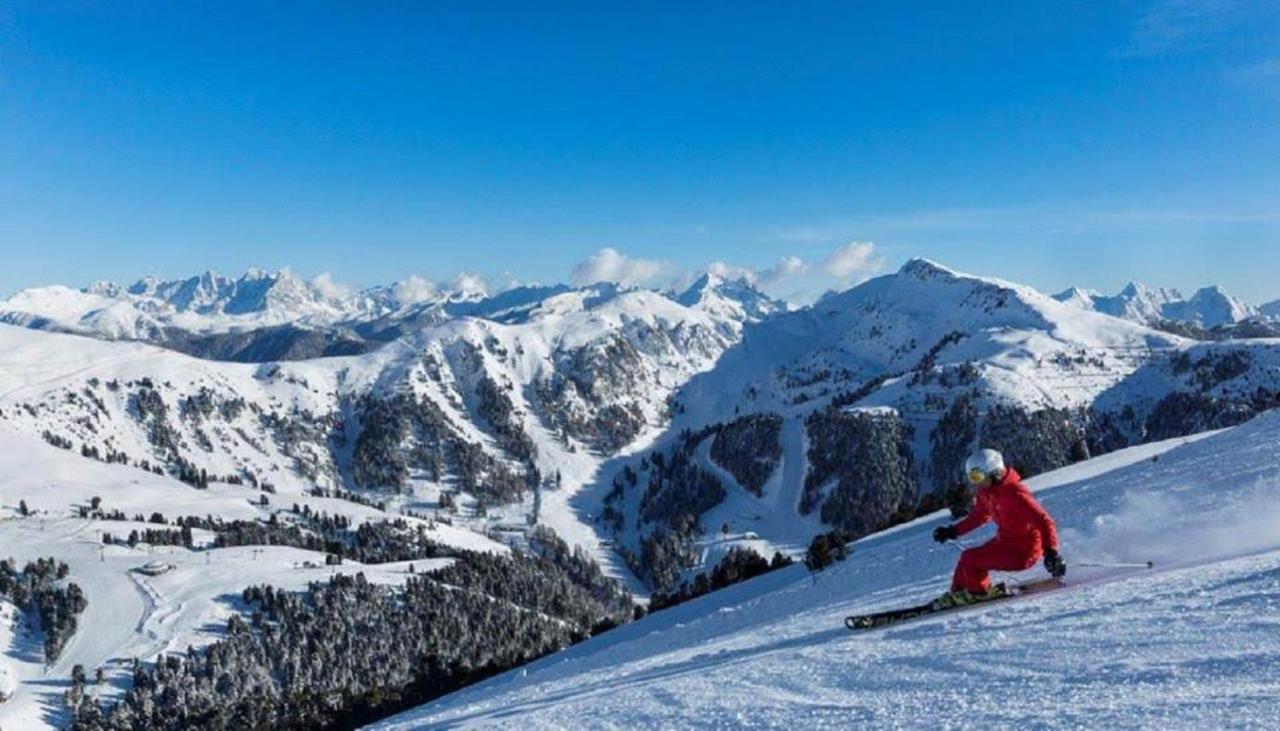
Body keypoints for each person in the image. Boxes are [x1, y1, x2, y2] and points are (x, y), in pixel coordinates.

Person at [931, 448, 1066, 609]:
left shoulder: (1015, 494)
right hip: (1005, 542)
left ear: (994, 472)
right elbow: (979, 516)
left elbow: (1044, 521)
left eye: (977, 476)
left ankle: (978, 594)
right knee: (965, 559)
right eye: (971, 477)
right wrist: (952, 531)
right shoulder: (986, 492)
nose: (975, 482)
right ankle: (958, 593)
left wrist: (1051, 551)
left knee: (971, 558)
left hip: (1023, 552)